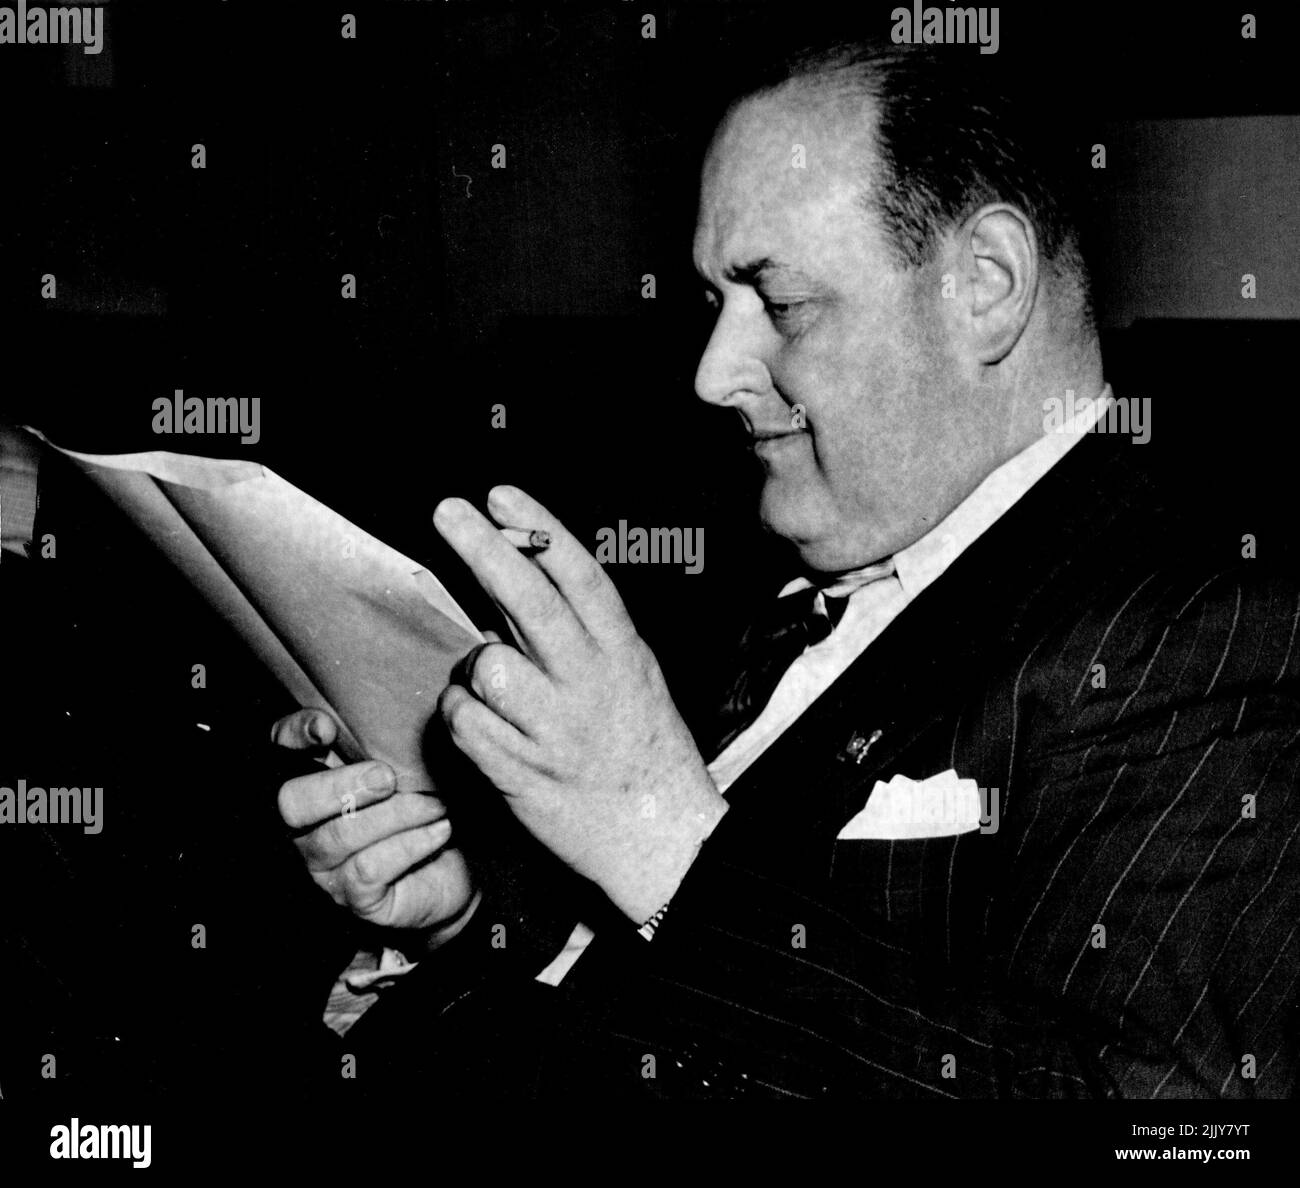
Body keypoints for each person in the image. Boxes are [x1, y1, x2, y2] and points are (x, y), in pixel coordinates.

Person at [271, 40, 1300, 1098]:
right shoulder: (797, 578)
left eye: (782, 303)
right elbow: (656, 982)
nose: (714, 374)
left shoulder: (1206, 630)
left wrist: (662, 844)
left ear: (985, 286)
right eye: (714, 303)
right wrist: (467, 920)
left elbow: (1162, 1118)